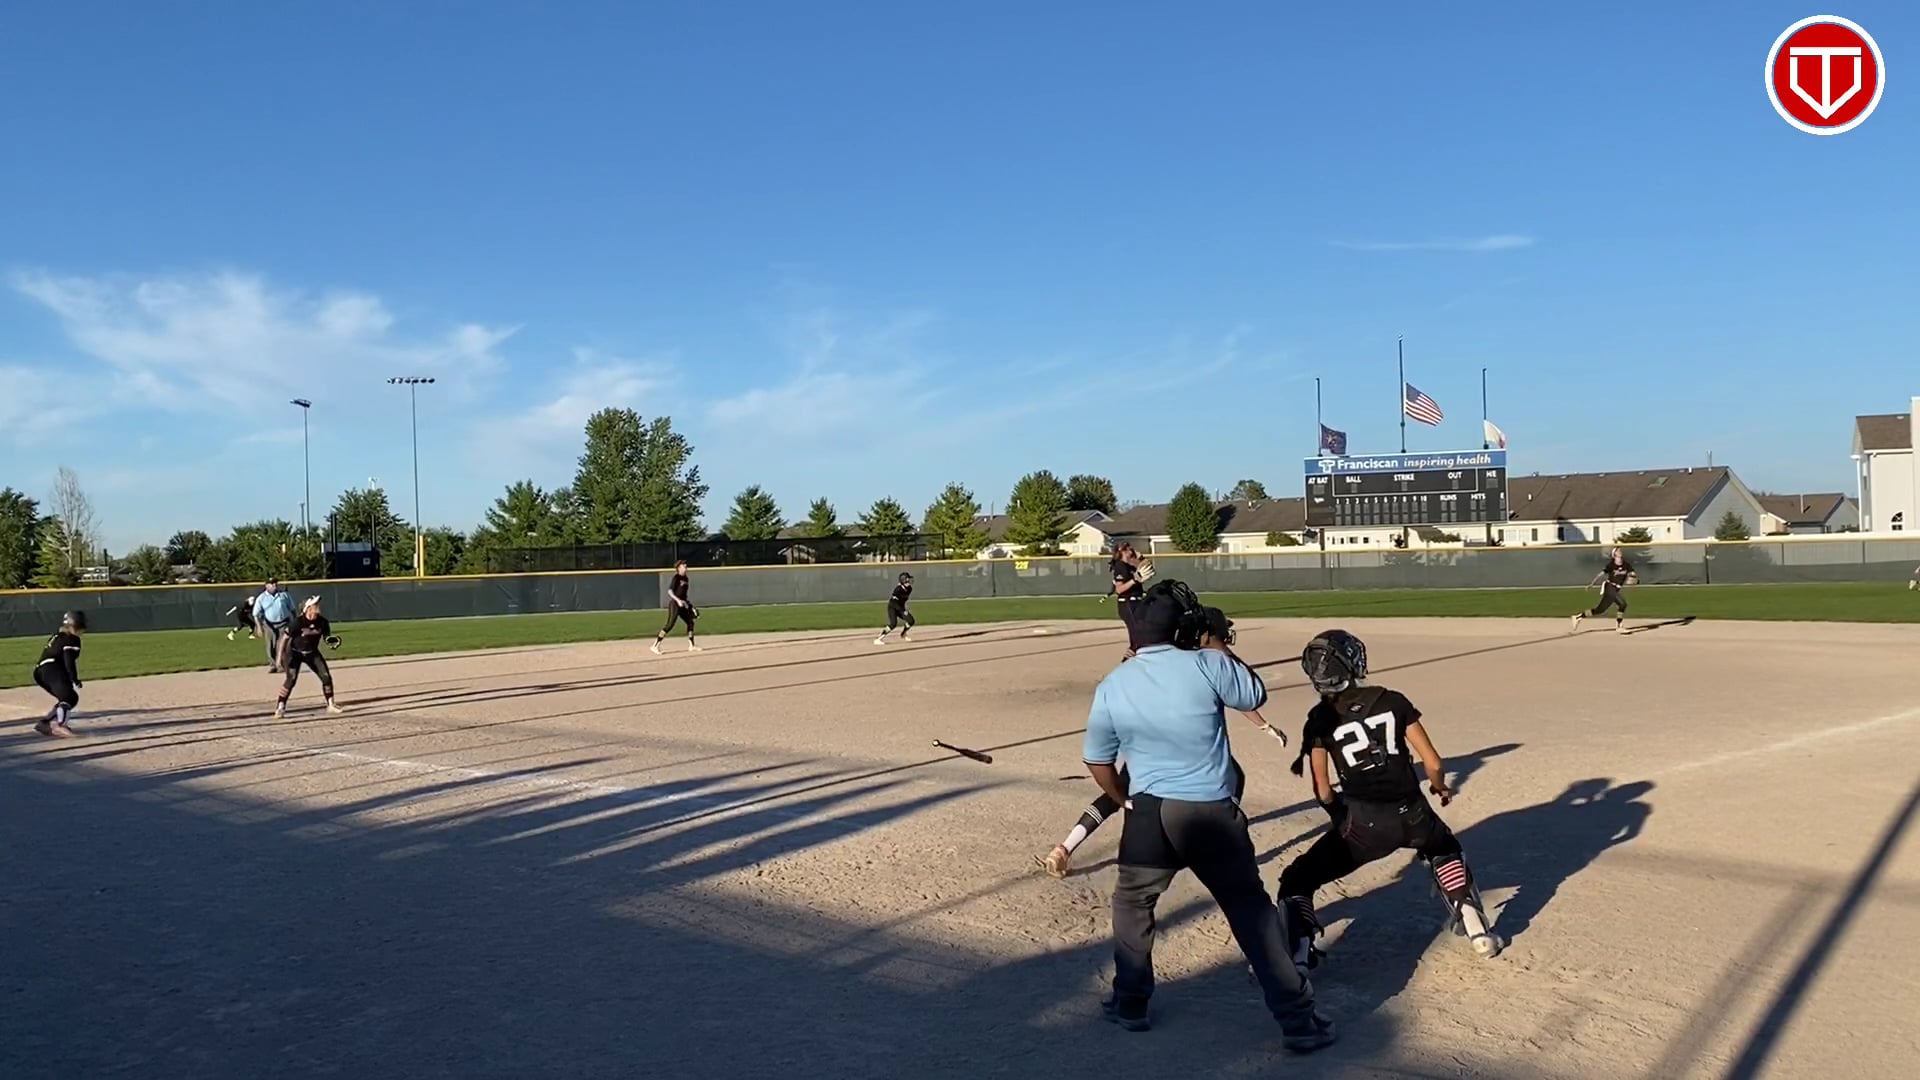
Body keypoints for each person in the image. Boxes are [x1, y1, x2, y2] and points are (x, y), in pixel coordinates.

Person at [1081, 579, 1336, 1052]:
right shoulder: (1207, 663)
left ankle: (1131, 1003)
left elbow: (1097, 759)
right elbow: (1253, 694)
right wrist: (1214, 641)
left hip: (1148, 814)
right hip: (1208, 813)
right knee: (1249, 911)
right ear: (1183, 628)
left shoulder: (1115, 681)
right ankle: (1298, 1022)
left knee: (1133, 903)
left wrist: (1122, 798)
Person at [1276, 629, 1500, 975]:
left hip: (1363, 825)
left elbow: (1322, 789)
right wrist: (1439, 787)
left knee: (1297, 879)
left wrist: (1340, 818)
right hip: (1414, 813)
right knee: (1444, 848)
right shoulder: (1392, 700)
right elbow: (1433, 763)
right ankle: (1476, 927)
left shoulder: (1319, 719)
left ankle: (1299, 956)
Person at [1036, 605, 1283, 878]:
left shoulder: (1157, 657)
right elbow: (1243, 695)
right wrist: (1221, 649)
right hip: (1182, 752)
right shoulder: (1202, 663)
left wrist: (1264, 724)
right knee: (1232, 776)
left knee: (1117, 794)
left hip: (1143, 743)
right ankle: (1219, 836)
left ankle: (1064, 848)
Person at [274, 595, 344, 720]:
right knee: (291, 679)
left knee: (326, 677)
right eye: (315, 605)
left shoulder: (323, 622)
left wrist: (331, 642)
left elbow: (326, 637)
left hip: (312, 653)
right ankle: (280, 707)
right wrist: (279, 658)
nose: (318, 607)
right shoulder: (297, 622)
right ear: (308, 608)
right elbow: (284, 639)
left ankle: (331, 705)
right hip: (295, 653)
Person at [31, 611, 87, 738]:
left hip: (41, 671)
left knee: (66, 697)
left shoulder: (59, 635)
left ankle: (44, 724)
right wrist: (74, 678)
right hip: (51, 668)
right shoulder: (71, 638)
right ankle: (60, 724)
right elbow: (69, 661)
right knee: (69, 697)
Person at [1571, 547, 1635, 633]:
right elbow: (1600, 574)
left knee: (1600, 610)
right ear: (1614, 554)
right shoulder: (1611, 565)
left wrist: (1634, 578)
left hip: (1616, 589)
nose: (1620, 552)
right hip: (1610, 587)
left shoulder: (1626, 564)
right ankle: (1619, 626)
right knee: (1622, 603)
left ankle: (1578, 617)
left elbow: (1632, 573)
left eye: (1620, 550)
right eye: (1617, 551)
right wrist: (1592, 584)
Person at [1107, 542, 1149, 658]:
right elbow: (1119, 589)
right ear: (1122, 551)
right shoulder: (1120, 566)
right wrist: (1134, 580)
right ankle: (1126, 664)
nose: (1131, 548)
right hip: (1128, 603)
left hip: (1137, 602)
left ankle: (1135, 663)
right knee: (1137, 640)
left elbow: (1147, 567)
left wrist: (1141, 558)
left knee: (1143, 636)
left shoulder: (1130, 566)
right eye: (1127, 547)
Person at [652, 560, 701, 654]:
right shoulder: (676, 577)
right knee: (670, 624)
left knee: (690, 622)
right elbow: (670, 591)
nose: (685, 566)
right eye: (683, 565)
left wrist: (689, 605)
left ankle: (692, 646)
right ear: (679, 568)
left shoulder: (686, 578)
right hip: (675, 604)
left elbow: (683, 595)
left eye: (686, 565)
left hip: (682, 604)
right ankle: (655, 645)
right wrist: (678, 600)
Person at [253, 579, 294, 672]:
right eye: (271, 583)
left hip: (283, 622)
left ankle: (281, 664)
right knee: (270, 644)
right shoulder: (261, 597)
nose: (274, 585)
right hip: (269, 624)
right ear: (266, 586)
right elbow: (255, 614)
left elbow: (292, 609)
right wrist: (259, 627)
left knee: (282, 644)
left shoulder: (284, 595)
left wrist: (294, 621)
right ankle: (273, 665)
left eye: (275, 583)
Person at [874, 572, 915, 645]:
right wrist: (903, 611)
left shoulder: (909, 589)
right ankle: (878, 639)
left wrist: (904, 609)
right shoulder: (898, 589)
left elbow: (902, 601)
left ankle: (903, 634)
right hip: (892, 607)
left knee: (911, 621)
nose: (909, 581)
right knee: (893, 624)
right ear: (903, 580)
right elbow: (894, 602)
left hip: (900, 608)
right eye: (907, 580)